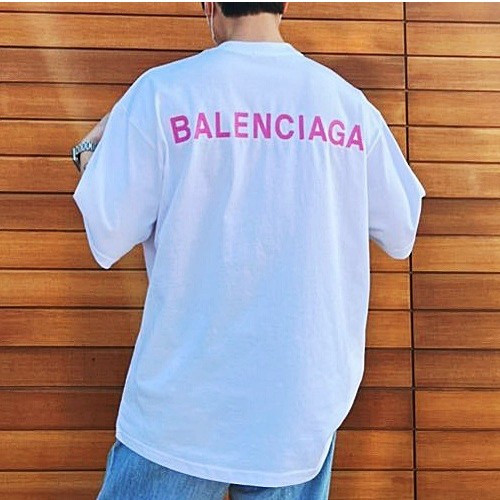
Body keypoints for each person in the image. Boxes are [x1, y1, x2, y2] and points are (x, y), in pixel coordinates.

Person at [71, 2, 426, 499]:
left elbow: (108, 231)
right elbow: (402, 229)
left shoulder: (161, 94)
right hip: (297, 413)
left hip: (183, 411)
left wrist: (89, 153)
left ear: (210, 6)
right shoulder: (348, 107)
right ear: (284, 5)